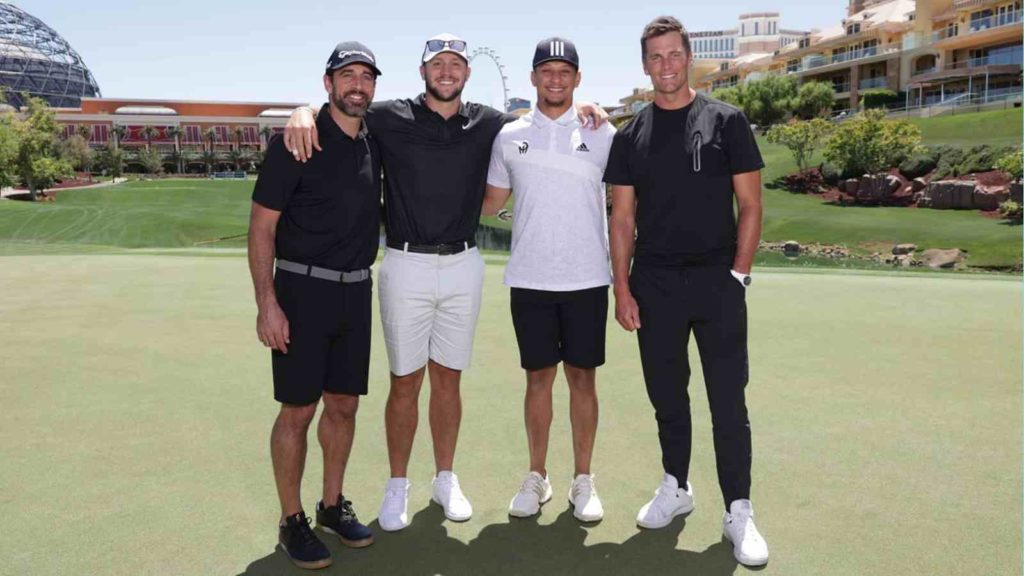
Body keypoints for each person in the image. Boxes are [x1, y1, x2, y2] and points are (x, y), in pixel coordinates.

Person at [284, 33, 608, 532]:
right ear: (423, 71)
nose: (447, 71)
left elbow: (546, 113)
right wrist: (302, 110)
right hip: (404, 262)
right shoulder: (389, 116)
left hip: (462, 264)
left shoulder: (490, 123)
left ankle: (444, 477)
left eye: (456, 64)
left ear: (467, 73)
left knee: (448, 380)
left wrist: (583, 104)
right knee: (404, 382)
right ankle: (398, 485)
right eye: (438, 64)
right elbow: (343, 105)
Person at [604, 16, 770, 567]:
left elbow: (750, 204)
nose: (666, 65)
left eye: (675, 55)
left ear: (689, 56)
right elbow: (622, 218)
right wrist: (622, 289)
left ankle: (738, 510)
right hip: (654, 284)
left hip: (717, 281)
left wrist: (739, 274)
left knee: (728, 400)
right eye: (656, 57)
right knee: (668, 398)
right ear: (645, 64)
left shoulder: (728, 121)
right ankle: (676, 486)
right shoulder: (630, 136)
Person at [247, 41, 379, 569]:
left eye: (367, 77)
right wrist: (267, 304)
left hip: (356, 291)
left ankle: (330, 505)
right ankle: (291, 520)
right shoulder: (296, 141)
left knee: (344, 405)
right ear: (328, 83)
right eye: (348, 75)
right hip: (301, 292)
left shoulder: (375, 140)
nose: (358, 85)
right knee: (298, 409)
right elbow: (261, 229)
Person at [482, 37, 614, 523]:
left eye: (565, 71)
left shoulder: (603, 132)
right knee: (538, 379)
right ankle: (537, 476)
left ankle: (583, 479)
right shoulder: (507, 135)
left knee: (583, 379)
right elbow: (489, 203)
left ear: (577, 79)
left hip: (586, 279)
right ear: (533, 78)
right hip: (531, 278)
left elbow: (624, 205)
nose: (555, 79)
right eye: (546, 71)